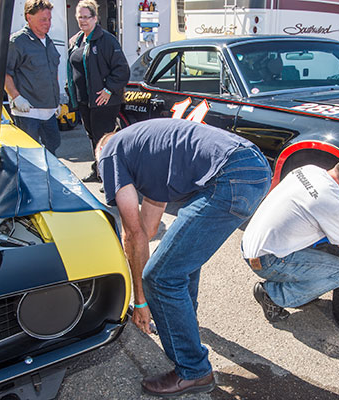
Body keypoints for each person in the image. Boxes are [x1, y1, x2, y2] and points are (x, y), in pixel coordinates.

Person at [96, 118, 271, 397]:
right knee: (179, 261)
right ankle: (184, 325)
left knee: (160, 277)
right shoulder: (148, 151)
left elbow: (133, 234)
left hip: (231, 173)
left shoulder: (110, 152)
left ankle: (193, 371)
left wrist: (140, 301)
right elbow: (149, 229)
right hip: (255, 167)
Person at [241, 151, 339, 323]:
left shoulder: (309, 170)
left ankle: (303, 283)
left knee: (336, 248)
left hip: (252, 241)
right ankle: (273, 295)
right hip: (267, 260)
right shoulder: (333, 204)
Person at [67, 0, 130, 183]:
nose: (83, 20)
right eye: (80, 17)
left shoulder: (107, 40)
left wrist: (109, 89)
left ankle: (110, 177)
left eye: (87, 17)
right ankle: (98, 171)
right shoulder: (77, 40)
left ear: (95, 18)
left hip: (104, 101)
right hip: (85, 100)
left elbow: (122, 70)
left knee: (105, 140)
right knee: (92, 137)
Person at [5, 0, 61, 155]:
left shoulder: (48, 41)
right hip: (28, 112)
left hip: (49, 111)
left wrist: (56, 99)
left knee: (52, 150)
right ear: (29, 18)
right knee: (30, 155)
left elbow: (53, 70)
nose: (48, 23)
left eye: (49, 19)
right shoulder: (17, 42)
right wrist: (16, 97)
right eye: (43, 19)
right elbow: (4, 73)